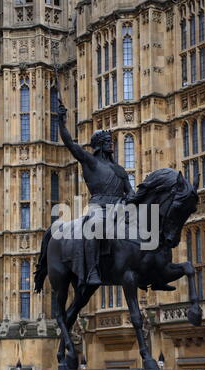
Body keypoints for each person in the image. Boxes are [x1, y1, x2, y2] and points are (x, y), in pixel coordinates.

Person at [57, 99, 135, 285]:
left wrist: (133, 199)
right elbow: (70, 143)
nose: (111, 145)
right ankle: (92, 271)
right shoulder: (91, 162)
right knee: (95, 226)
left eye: (111, 142)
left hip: (119, 208)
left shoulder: (120, 170)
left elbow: (130, 192)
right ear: (100, 144)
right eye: (108, 142)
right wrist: (61, 121)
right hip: (98, 207)